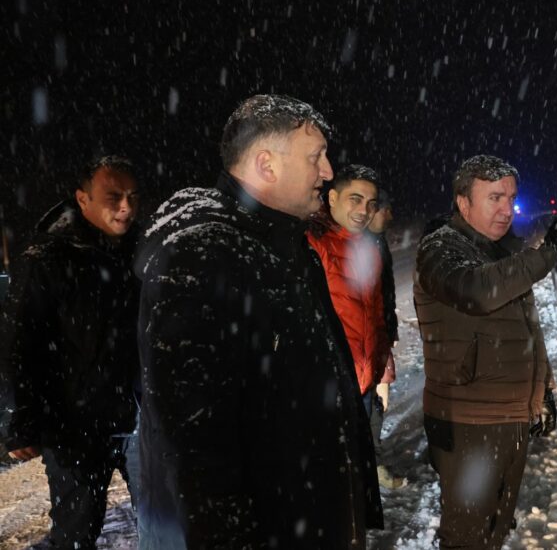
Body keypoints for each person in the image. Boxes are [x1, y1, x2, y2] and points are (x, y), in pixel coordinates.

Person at [134, 95, 383, 549]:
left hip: (306, 518)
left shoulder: (284, 246)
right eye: (316, 158)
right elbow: (194, 447)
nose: (327, 171)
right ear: (267, 165)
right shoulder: (204, 256)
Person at [413, 154, 557, 549]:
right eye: (495, 198)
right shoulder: (440, 249)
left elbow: (526, 332)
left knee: (496, 528)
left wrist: (541, 392)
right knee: (468, 535)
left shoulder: (500, 251)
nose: (507, 209)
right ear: (463, 202)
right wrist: (541, 258)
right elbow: (477, 291)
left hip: (509, 416)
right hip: (469, 421)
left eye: (511, 198)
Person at [0, 155, 141, 549]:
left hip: (139, 419)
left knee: (160, 523)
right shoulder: (46, 259)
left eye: (132, 196)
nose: (126, 207)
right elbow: (18, 343)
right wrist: (21, 421)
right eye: (113, 196)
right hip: (74, 426)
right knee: (77, 531)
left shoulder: (144, 251)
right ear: (83, 200)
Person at [306, 165, 400, 487]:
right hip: (324, 394)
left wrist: (377, 368)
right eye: (355, 199)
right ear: (332, 197)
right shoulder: (312, 244)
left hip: (361, 386)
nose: (364, 210)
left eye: (370, 203)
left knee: (353, 483)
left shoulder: (369, 250)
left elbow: (374, 315)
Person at [363, 188, 403, 488]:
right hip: (364, 340)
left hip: (378, 335)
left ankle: (371, 460)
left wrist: (390, 328)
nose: (390, 215)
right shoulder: (359, 244)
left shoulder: (378, 243)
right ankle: (370, 465)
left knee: (379, 396)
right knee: (371, 399)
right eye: (385, 209)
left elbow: (384, 294)